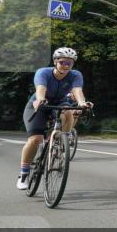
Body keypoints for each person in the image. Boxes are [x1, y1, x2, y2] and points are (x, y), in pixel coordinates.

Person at [18, 47, 93, 189]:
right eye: (62, 62)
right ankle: (24, 174)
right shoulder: (43, 72)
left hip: (59, 103)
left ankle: (60, 143)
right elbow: (41, 89)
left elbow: (77, 91)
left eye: (69, 64)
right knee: (35, 139)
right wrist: (40, 100)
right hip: (39, 104)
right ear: (55, 62)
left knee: (69, 112)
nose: (65, 66)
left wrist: (82, 103)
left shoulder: (75, 75)